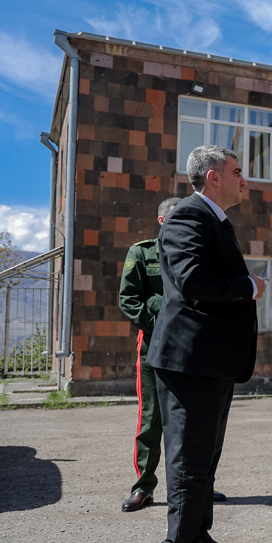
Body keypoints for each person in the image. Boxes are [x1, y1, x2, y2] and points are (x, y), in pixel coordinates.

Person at [147, 145, 265, 543]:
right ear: (213, 176)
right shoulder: (188, 216)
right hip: (188, 360)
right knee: (188, 457)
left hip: (209, 361)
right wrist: (248, 286)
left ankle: (198, 537)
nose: (244, 180)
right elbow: (194, 280)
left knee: (205, 457)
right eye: (237, 171)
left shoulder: (212, 219)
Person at [119, 196, 230, 512]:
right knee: (151, 420)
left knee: (197, 422)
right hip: (154, 347)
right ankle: (144, 487)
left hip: (193, 348)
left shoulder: (199, 251)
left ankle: (200, 486)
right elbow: (129, 300)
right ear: (161, 221)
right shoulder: (142, 253)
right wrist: (164, 322)